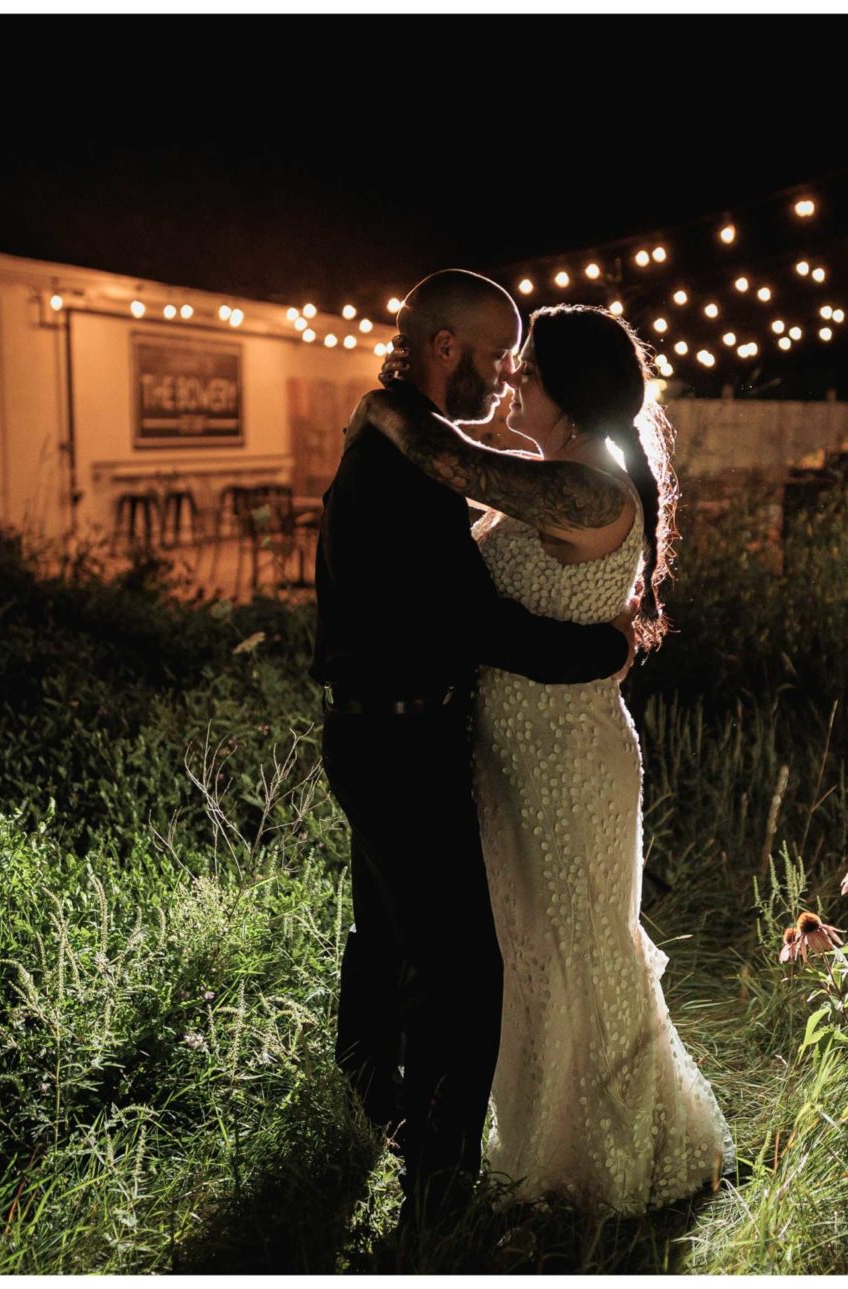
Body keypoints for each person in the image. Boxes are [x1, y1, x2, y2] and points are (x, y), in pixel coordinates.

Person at [348, 302, 735, 1215]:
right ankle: (535, 1152)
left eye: (526, 368)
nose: (511, 378)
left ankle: (625, 1159)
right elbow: (459, 488)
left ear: (567, 389)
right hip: (505, 758)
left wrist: (389, 406)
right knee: (525, 956)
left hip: (570, 760)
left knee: (584, 948)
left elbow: (453, 464)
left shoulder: (593, 490)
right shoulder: (547, 472)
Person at [311, 270, 637, 1245]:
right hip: (397, 738)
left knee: (387, 937)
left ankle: (372, 1107)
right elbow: (471, 615)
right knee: (460, 972)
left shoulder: (406, 436)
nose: (503, 381)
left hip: (386, 730)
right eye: (496, 357)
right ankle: (438, 1186)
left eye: (521, 367)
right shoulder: (403, 456)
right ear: (444, 346)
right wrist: (599, 650)